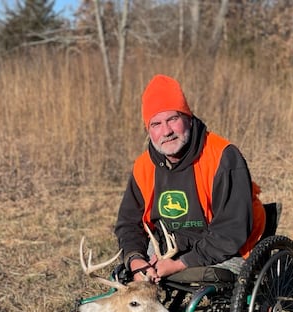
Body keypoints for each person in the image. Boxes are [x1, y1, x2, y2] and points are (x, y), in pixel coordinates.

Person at [114, 74, 266, 283]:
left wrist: (179, 263)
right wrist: (136, 261)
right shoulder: (144, 166)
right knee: (124, 284)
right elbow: (128, 223)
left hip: (226, 250)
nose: (166, 131)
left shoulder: (223, 156)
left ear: (188, 118)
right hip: (168, 248)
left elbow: (233, 228)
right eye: (156, 124)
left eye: (173, 119)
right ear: (148, 130)